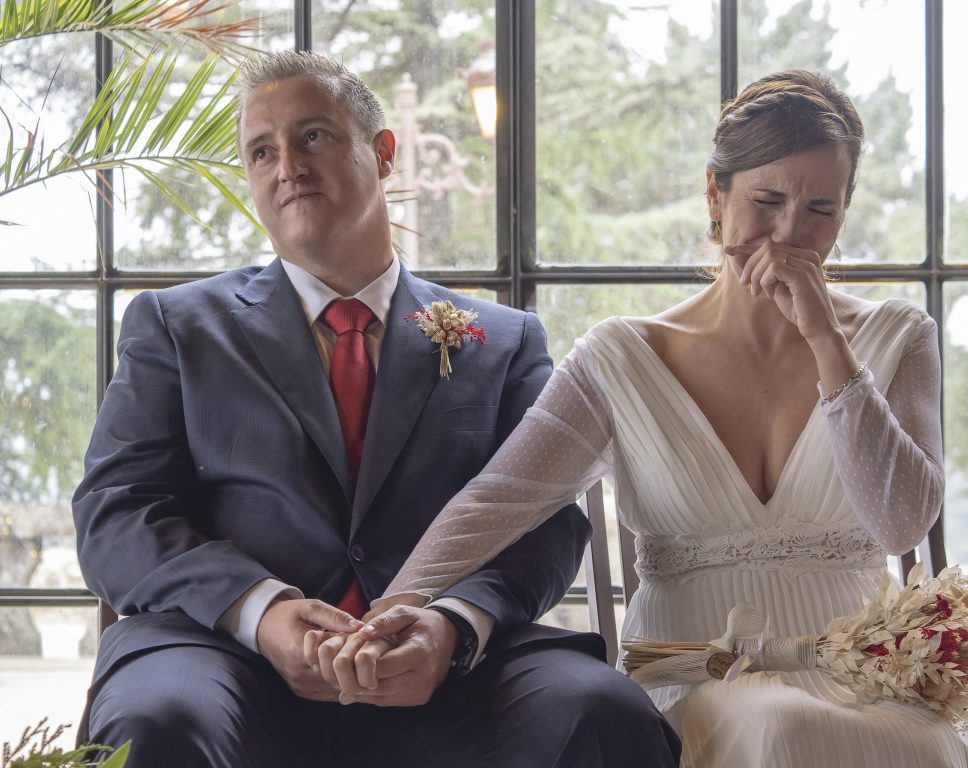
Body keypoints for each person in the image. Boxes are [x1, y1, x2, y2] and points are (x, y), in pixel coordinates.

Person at [324, 70, 968, 767]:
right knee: (778, 725)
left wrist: (828, 345)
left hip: (868, 680)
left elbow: (901, 524)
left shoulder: (899, 337)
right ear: (714, 195)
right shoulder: (624, 354)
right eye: (767, 201)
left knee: (910, 739)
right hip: (697, 678)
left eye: (821, 210)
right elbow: (498, 499)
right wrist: (385, 616)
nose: (789, 234)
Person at [72, 50, 680, 768]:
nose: (287, 165)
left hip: (455, 671)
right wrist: (261, 612)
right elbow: (117, 513)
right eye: (260, 151)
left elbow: (548, 522)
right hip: (228, 659)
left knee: (599, 712)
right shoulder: (177, 327)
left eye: (313, 136)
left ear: (383, 153)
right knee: (155, 720)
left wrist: (452, 625)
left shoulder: (506, 340)